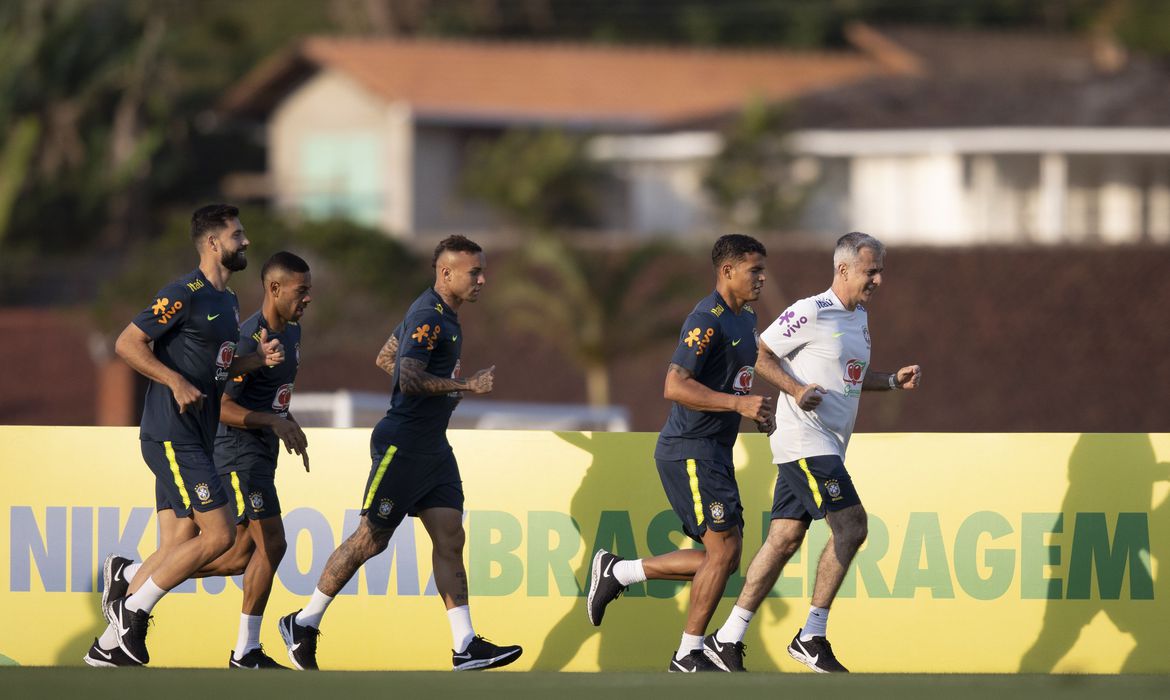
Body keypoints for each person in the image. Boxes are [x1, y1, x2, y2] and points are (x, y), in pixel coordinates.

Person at [276, 235, 522, 671]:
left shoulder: (439, 313)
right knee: (371, 538)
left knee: (450, 537)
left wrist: (441, 392)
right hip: (403, 443)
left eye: (482, 270)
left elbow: (386, 356)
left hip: (432, 447)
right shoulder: (430, 314)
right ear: (446, 273)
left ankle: (465, 644)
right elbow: (407, 376)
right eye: (474, 272)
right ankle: (304, 621)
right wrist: (462, 386)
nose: (483, 279)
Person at [708, 231, 922, 673]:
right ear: (843, 269)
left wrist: (890, 381)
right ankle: (812, 635)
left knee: (784, 539)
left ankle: (726, 638)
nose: (878, 280)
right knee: (853, 526)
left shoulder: (858, 316)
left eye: (880, 270)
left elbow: (849, 379)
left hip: (828, 445)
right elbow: (759, 354)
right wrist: (796, 389)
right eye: (871, 271)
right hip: (804, 440)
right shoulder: (811, 310)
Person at [86, 205, 284, 668]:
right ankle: (131, 610)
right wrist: (174, 381)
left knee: (179, 544)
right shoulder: (183, 292)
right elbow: (126, 343)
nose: (246, 242)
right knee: (218, 537)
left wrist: (257, 361)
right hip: (172, 435)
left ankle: (110, 641)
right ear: (213, 243)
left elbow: (217, 368)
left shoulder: (229, 301)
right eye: (238, 235)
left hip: (197, 435)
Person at [586, 234, 774, 672]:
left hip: (713, 451)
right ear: (727, 271)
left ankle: (619, 572)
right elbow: (674, 385)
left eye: (763, 269)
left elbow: (733, 383)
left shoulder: (746, 319)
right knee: (724, 552)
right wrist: (737, 405)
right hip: (690, 450)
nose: (762, 278)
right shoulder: (704, 319)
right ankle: (688, 653)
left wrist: (755, 411)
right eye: (754, 270)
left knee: (721, 560)